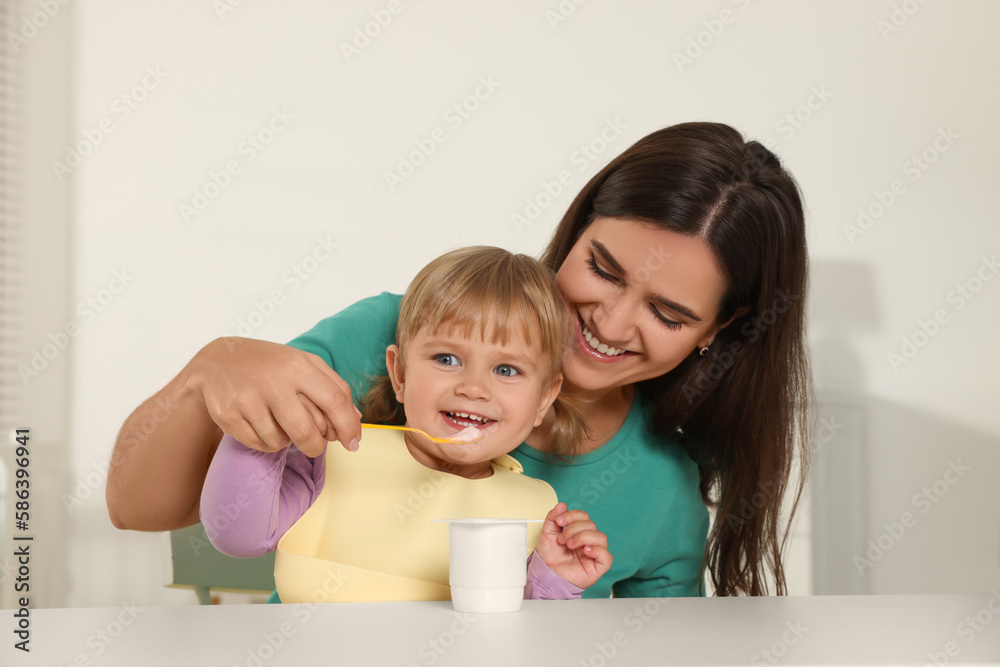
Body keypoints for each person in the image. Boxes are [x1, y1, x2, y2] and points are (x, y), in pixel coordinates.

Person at [108, 121, 811, 597]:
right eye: (602, 266)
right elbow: (135, 506)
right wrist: (212, 369)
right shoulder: (402, 333)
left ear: (720, 329)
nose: (611, 321)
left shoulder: (661, 493)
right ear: (578, 227)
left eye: (668, 313)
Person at [199, 246, 612, 602]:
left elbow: (520, 631)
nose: (473, 388)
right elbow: (237, 536)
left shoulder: (536, 511)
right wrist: (259, 432)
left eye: (506, 369)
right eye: (447, 359)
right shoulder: (332, 457)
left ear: (543, 399)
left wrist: (554, 578)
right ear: (399, 374)